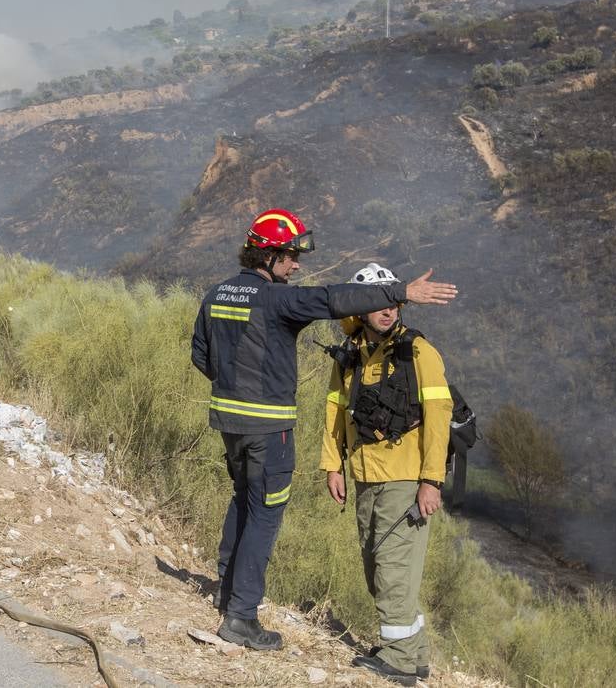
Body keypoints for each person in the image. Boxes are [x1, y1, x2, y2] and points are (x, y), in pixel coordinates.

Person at [191, 209, 457, 652]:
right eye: (291, 257)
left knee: (242, 500)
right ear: (269, 255)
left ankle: (227, 592)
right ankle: (240, 616)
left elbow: (201, 355)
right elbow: (334, 299)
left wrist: (236, 385)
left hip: (227, 422)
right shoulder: (278, 299)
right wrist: (400, 292)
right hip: (268, 427)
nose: (295, 266)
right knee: (264, 514)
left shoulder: (217, 294)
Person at [320, 264, 452, 686]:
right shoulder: (351, 355)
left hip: (405, 479)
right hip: (364, 477)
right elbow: (335, 411)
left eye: (392, 300)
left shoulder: (417, 352)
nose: (388, 310)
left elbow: (439, 417)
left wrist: (431, 480)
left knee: (394, 567)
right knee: (376, 566)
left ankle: (397, 659)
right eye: (377, 301)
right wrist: (332, 464)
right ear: (360, 309)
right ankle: (415, 654)